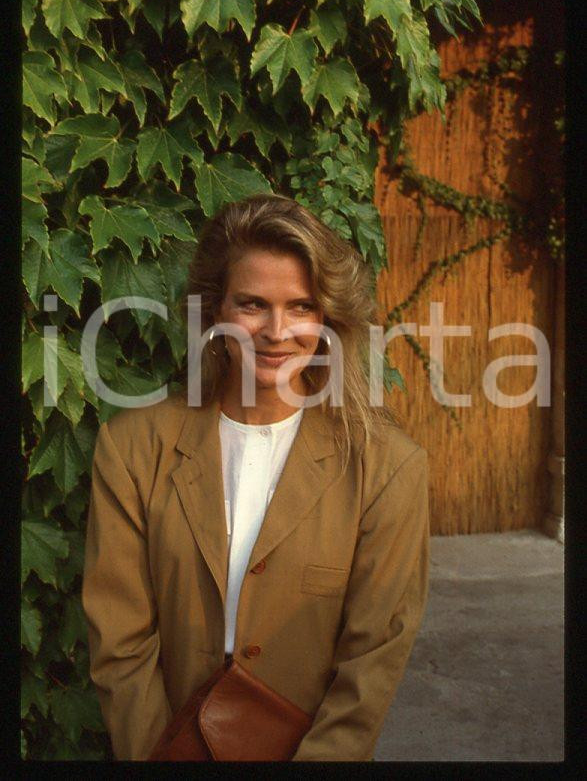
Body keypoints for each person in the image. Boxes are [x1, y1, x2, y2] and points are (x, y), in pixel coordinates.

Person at [82, 193, 430, 761]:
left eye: (300, 306)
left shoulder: (388, 467)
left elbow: (372, 662)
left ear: (327, 318)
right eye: (251, 304)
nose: (276, 331)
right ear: (215, 310)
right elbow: (119, 645)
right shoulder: (132, 448)